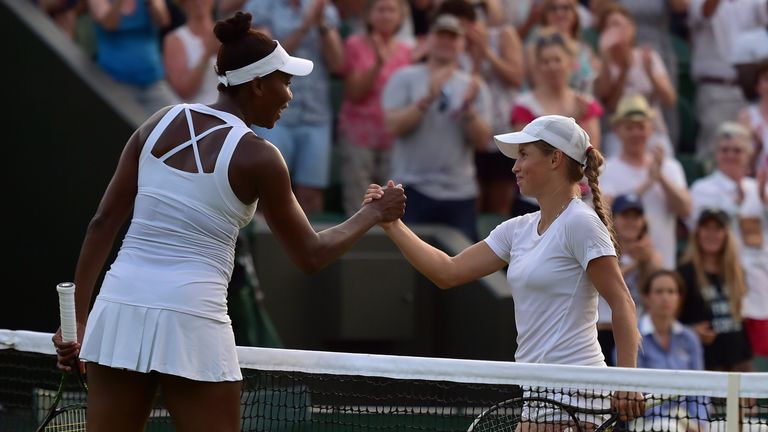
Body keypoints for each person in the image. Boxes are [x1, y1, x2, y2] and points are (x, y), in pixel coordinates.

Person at [51, 12, 406, 431]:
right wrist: (372, 213)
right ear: (257, 85)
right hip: (191, 317)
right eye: (285, 82)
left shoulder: (154, 124)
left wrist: (77, 317)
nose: (289, 95)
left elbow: (102, 223)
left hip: (119, 308)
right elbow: (311, 255)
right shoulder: (259, 157)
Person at [366, 115, 645, 424]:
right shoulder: (517, 229)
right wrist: (392, 226)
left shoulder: (581, 223)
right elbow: (448, 271)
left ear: (555, 159)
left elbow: (622, 302)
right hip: (537, 396)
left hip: (577, 397)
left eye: (524, 155)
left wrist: (626, 381)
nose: (515, 166)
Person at [382, 13, 493, 242]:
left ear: (462, 44)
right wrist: (425, 101)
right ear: (428, 40)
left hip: (459, 192)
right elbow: (393, 127)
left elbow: (483, 141)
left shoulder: (473, 86)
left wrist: (468, 109)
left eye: (453, 37)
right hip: (411, 188)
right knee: (410, 268)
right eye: (441, 35)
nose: (446, 42)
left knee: (461, 270)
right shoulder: (404, 77)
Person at [244, 0, 345, 214]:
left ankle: (309, 246)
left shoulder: (325, 10)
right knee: (267, 190)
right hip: (273, 114)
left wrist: (322, 26)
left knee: (311, 194)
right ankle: (266, 246)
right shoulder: (261, 6)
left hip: (316, 115)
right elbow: (267, 58)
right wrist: (305, 25)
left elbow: (337, 63)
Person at [689, 121, 768, 370]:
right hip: (723, 287)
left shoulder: (758, 189)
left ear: (748, 155)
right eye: (725, 149)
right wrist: (735, 207)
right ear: (716, 153)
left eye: (737, 150)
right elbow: (701, 232)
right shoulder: (702, 189)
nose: (731, 155)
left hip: (761, 285)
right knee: (734, 362)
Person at [337, 0, 412, 217]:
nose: (386, 15)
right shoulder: (354, 44)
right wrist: (378, 65)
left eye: (391, 10)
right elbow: (354, 92)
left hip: (393, 137)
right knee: (358, 202)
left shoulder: (408, 51)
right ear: (369, 15)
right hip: (358, 133)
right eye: (381, 10)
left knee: (392, 202)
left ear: (400, 17)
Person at [600, 94, 691, 269]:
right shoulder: (605, 170)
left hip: (663, 267)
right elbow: (603, 214)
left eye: (641, 127)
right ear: (618, 130)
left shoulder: (670, 167)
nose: (636, 133)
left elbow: (685, 209)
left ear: (650, 129)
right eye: (629, 127)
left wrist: (661, 179)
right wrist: (647, 184)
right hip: (622, 269)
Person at [593, 3, 676, 158]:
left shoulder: (649, 57)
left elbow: (669, 99)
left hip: (654, 130)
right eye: (609, 26)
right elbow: (609, 104)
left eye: (618, 25)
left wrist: (650, 73)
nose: (614, 31)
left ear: (631, 29)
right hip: (617, 134)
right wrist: (622, 70)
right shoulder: (601, 63)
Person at [677, 208, 752, 372]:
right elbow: (670, 319)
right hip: (707, 365)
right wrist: (691, 331)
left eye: (717, 229)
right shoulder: (684, 273)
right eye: (706, 228)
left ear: (726, 234)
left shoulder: (736, 271)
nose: (711, 234)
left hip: (741, 361)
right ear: (698, 233)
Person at [597, 193, 662, 365]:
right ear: (614, 219)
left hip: (637, 332)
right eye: (625, 216)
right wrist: (635, 264)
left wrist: (648, 262)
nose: (631, 222)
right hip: (604, 331)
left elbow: (655, 294)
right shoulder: (603, 251)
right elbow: (606, 284)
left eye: (636, 217)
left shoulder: (651, 256)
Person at [87, 0, 180, 116]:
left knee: (172, 121)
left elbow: (163, 20)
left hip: (152, 81)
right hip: (115, 82)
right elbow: (109, 24)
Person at [162, 0, 220, 104]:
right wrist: (207, 54)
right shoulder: (174, 39)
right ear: (183, 3)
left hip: (228, 112)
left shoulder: (227, 33)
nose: (198, 2)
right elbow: (184, 91)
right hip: (195, 113)